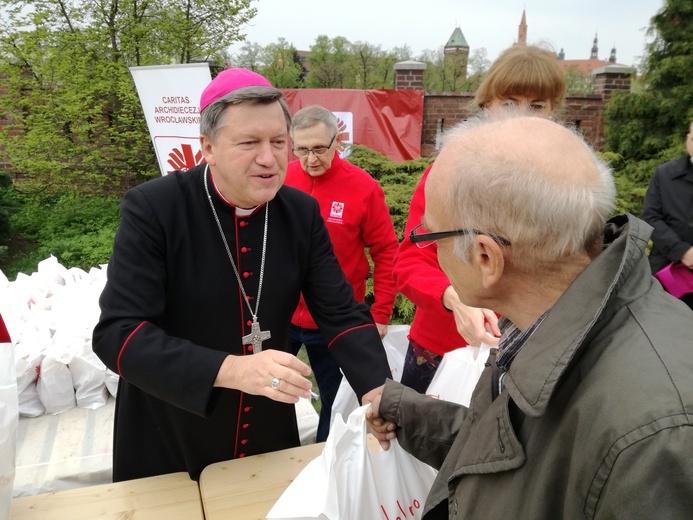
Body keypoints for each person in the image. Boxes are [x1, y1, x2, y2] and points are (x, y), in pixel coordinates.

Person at [365, 111, 693, 519]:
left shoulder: (655, 438)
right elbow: (524, 458)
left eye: (429, 235)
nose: (424, 248)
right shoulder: (543, 319)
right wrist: (408, 412)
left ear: (486, 257)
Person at [92, 68, 391, 482]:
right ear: (208, 147)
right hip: (171, 427)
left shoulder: (300, 213)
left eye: (278, 142)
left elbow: (340, 312)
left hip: (266, 425)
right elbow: (117, 333)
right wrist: (233, 370)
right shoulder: (155, 209)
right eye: (249, 142)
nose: (269, 158)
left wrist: (377, 390)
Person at [394, 44, 566, 393]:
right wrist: (454, 297)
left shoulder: (567, 182)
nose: (523, 116)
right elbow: (410, 261)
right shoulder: (448, 174)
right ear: (486, 105)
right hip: (441, 345)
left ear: (553, 111)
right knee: (421, 442)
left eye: (536, 105)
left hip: (526, 352)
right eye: (509, 103)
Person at [284, 105, 398, 441]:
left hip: (334, 320)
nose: (311, 159)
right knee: (266, 393)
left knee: (336, 405)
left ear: (338, 141)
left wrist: (380, 312)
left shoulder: (363, 188)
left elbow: (387, 251)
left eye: (319, 148)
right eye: (302, 149)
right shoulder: (281, 179)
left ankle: (324, 463)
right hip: (281, 314)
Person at [642, 121, 693, 309]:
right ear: (688, 138)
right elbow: (650, 217)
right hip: (668, 273)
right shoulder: (665, 174)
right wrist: (682, 251)